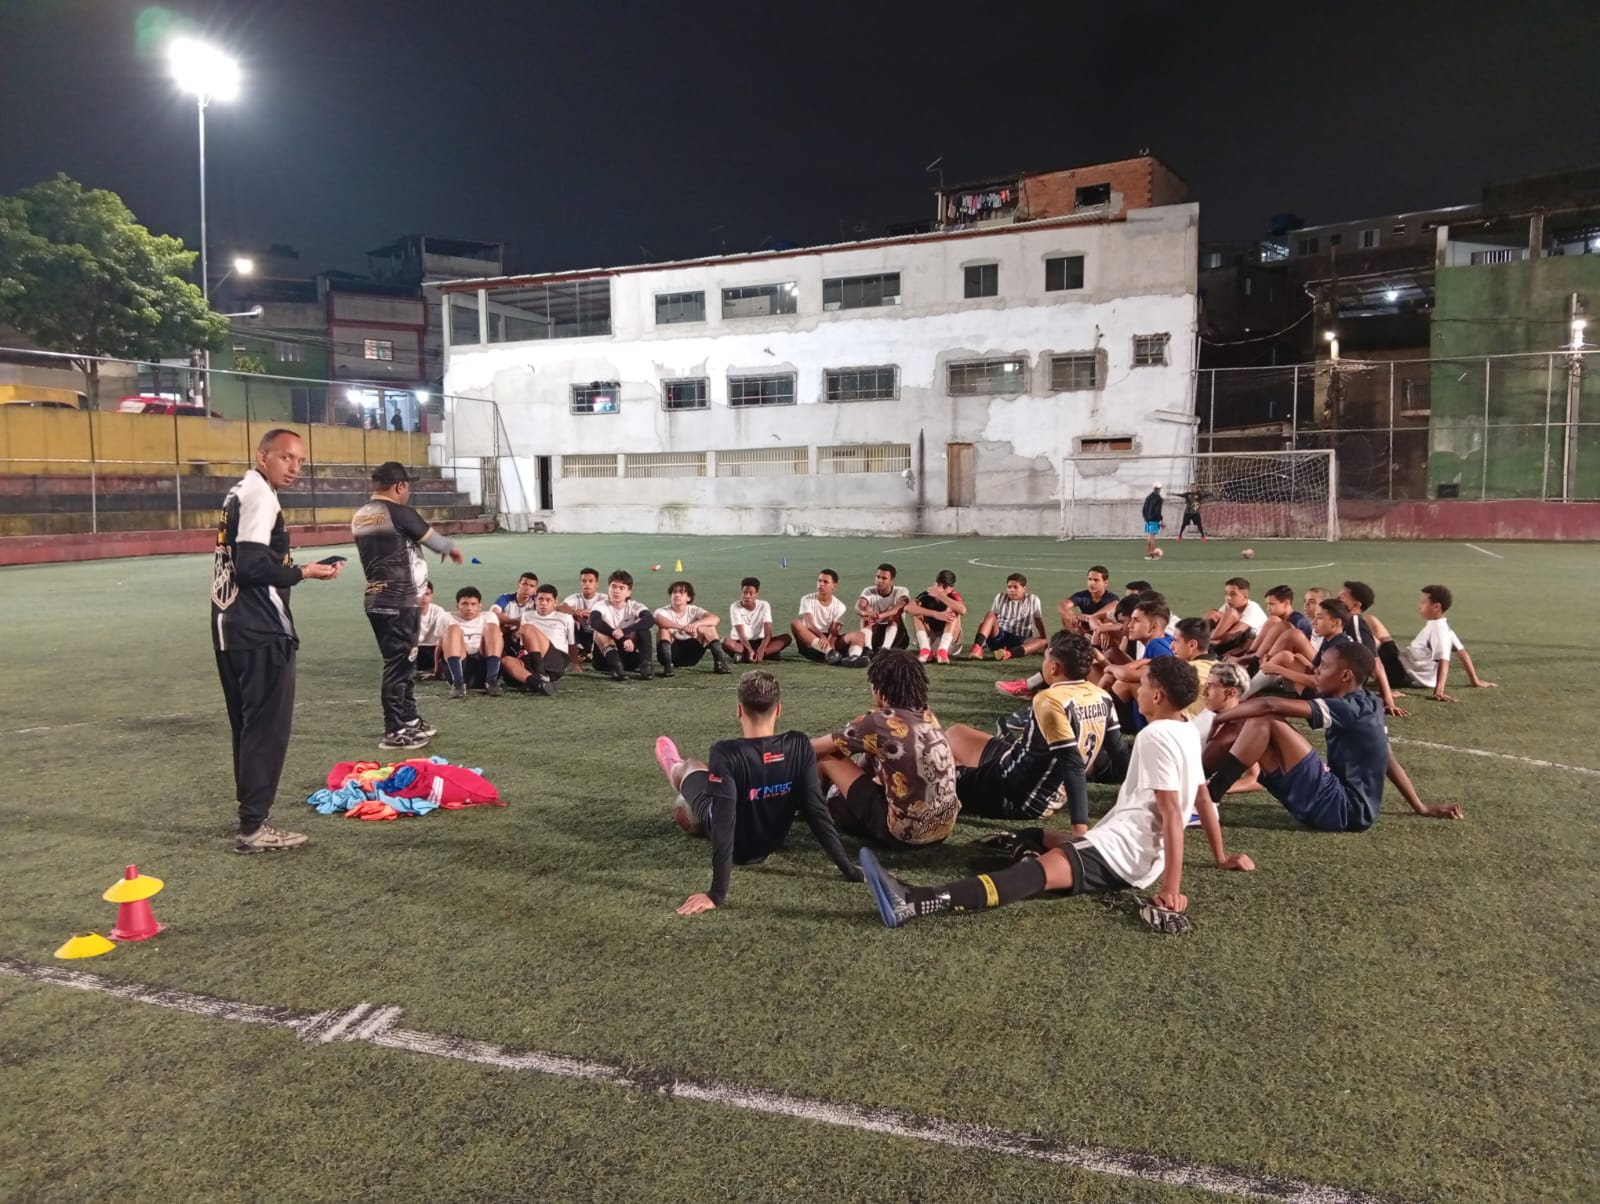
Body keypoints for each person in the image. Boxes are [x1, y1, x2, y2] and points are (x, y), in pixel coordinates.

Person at [858, 657, 1256, 929]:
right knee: (1030, 840)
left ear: (1158, 696)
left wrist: (1171, 889)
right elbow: (1202, 797)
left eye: (1143, 684)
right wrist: (1220, 857)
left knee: (1033, 876)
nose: (1135, 689)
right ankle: (1021, 849)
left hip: (1122, 853)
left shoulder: (1155, 736)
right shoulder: (1186, 727)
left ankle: (915, 900)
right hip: (1124, 845)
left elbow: (1173, 814)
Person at [211, 428, 343, 854]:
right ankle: (253, 828)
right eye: (286, 458)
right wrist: (302, 572)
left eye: (300, 461)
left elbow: (250, 562)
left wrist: (299, 568)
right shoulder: (261, 496)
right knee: (266, 731)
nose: (294, 467)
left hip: (229, 627)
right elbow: (251, 566)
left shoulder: (240, 491)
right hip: (261, 630)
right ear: (262, 456)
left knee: (248, 730)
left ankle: (251, 818)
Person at [654, 671, 862, 915]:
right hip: (772, 840)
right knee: (717, 781)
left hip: (735, 844)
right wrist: (850, 870)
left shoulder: (725, 752)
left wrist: (716, 894)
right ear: (779, 709)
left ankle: (675, 767)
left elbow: (723, 823)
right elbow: (816, 812)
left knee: (692, 769)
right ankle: (704, 784)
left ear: (739, 710)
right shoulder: (798, 744)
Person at [1204, 642, 1463, 831]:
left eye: (1324, 666)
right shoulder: (1368, 702)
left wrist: (1215, 716)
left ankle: (1206, 798)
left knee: (1264, 722)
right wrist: (1421, 806)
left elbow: (1269, 705)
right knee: (1250, 726)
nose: (1317, 670)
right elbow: (1387, 758)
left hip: (1341, 809)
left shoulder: (1348, 708)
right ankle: (1193, 790)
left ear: (1346, 675)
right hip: (1346, 807)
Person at [944, 631, 1129, 837]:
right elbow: (1120, 753)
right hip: (1024, 772)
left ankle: (959, 775)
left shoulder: (1049, 699)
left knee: (931, 783)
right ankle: (962, 771)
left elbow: (1072, 764)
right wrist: (1130, 799)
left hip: (1015, 793)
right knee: (955, 733)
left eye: (1046, 657)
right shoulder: (1102, 696)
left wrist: (1080, 830)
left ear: (1054, 666)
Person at [351, 461, 465, 750]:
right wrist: (450, 548)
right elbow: (434, 540)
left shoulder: (362, 515)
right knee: (399, 665)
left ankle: (410, 719)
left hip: (376, 597)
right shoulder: (399, 512)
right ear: (399, 486)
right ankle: (394, 729)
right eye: (407, 486)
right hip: (400, 600)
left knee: (404, 662)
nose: (409, 491)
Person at [813, 649, 960, 848]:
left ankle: (812, 807)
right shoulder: (927, 715)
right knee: (872, 748)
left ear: (879, 687)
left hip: (902, 834)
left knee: (827, 757)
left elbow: (815, 747)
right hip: (942, 829)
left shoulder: (880, 722)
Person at [1377, 584, 1496, 702]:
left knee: (1372, 628)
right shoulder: (1442, 625)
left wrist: (1439, 691)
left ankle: (1363, 682)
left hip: (1401, 674)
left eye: (1423, 602)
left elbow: (1443, 660)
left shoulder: (1438, 630)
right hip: (1403, 667)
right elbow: (1461, 652)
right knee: (1374, 631)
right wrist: (1475, 680)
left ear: (1436, 607)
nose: (1419, 606)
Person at [504, 583, 571, 696]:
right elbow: (523, 643)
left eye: (548, 600)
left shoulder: (565, 618)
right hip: (531, 656)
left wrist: (576, 664)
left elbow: (572, 643)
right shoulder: (527, 615)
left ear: (555, 602)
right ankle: (538, 684)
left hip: (555, 659)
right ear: (535, 601)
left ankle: (540, 674)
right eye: (540, 599)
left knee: (527, 628)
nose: (543, 603)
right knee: (506, 660)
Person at [653, 580, 731, 676]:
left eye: (681, 592)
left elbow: (715, 618)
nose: (677, 595)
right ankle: (668, 666)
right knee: (663, 629)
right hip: (672, 653)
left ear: (689, 598)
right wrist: (683, 628)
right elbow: (658, 620)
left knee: (708, 628)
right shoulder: (663, 611)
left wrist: (696, 625)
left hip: (691, 655)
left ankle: (720, 663)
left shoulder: (694, 610)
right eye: (674, 592)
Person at [591, 569, 657, 681]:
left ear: (628, 592)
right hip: (604, 660)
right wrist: (619, 636)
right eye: (613, 587)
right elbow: (594, 621)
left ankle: (646, 666)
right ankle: (616, 667)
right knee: (599, 632)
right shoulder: (601, 606)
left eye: (621, 588)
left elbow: (649, 619)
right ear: (608, 588)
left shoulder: (634, 606)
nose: (616, 591)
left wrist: (625, 631)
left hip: (629, 656)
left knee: (643, 629)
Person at [440, 586, 506, 697]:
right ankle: (458, 684)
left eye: (473, 604)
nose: (469, 608)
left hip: (483, 666)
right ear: (457, 606)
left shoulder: (489, 617)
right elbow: (441, 645)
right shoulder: (447, 617)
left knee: (492, 627)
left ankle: (492, 681)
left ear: (480, 606)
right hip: (461, 665)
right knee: (453, 629)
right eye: (464, 604)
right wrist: (436, 671)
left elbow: (498, 643)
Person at [841, 563, 910, 663]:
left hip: (897, 636)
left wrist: (880, 616)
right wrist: (866, 613)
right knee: (866, 612)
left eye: (884, 578)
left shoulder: (901, 591)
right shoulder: (869, 591)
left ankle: (885, 650)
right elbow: (859, 605)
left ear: (891, 581)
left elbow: (898, 607)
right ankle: (868, 649)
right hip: (876, 634)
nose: (880, 581)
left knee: (893, 613)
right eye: (878, 577)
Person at [969, 573, 1047, 660]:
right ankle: (977, 648)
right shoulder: (1000, 597)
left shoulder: (1033, 600)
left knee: (1043, 641)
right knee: (990, 614)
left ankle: (1006, 654)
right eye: (1009, 587)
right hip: (999, 637)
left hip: (1020, 640)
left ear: (1024, 589)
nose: (1011, 590)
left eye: (1015, 587)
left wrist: (1044, 638)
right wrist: (980, 641)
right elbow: (988, 621)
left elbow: (1038, 620)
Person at [724, 576, 791, 663]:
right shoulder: (735, 606)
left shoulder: (764, 605)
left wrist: (762, 648)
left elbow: (768, 634)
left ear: (757, 595)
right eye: (745, 593)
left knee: (786, 638)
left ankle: (746, 656)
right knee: (725, 642)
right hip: (741, 642)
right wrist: (749, 650)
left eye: (751, 593)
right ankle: (764, 654)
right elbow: (741, 635)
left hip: (759, 641)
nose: (747, 596)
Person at [905, 569, 966, 663]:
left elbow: (962, 610)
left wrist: (939, 595)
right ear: (935, 583)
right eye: (938, 585)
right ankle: (925, 650)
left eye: (944, 587)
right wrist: (936, 614)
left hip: (950, 644)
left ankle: (942, 651)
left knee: (954, 611)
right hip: (930, 640)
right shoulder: (926, 595)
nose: (940, 589)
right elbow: (908, 608)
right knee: (917, 611)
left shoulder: (954, 596)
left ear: (951, 588)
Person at [791, 569, 848, 663]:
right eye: (819, 580)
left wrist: (829, 642)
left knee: (858, 636)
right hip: (809, 642)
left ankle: (855, 656)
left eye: (825, 582)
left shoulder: (840, 606)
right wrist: (822, 637)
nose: (821, 584)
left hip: (827, 640)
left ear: (834, 586)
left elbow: (834, 633)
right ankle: (830, 653)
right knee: (796, 623)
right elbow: (809, 625)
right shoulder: (807, 599)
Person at [1206, 577, 1268, 656]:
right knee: (1212, 614)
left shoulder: (1253, 608)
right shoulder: (1228, 605)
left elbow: (1232, 634)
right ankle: (1200, 640)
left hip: (1249, 646)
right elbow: (1218, 623)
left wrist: (1213, 641)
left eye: (1233, 594)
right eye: (1226, 594)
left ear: (1245, 596)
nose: (1228, 598)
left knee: (1231, 614)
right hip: (1232, 642)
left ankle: (1207, 646)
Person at [559, 567, 603, 672]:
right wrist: (576, 612)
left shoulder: (603, 599)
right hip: (581, 634)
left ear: (597, 584)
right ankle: (580, 651)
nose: (586, 584)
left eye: (590, 581)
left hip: (598, 635)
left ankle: (589, 652)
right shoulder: (575, 598)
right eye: (584, 581)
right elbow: (560, 607)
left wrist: (593, 615)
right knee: (567, 618)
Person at [1056, 564, 1119, 632]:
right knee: (1065, 617)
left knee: (1107, 620)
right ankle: (1073, 639)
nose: (1091, 583)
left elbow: (1114, 606)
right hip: (1085, 626)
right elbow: (1062, 605)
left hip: (1101, 627)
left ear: (1105, 583)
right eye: (1089, 579)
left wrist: (1090, 617)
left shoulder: (1112, 598)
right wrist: (1070, 615)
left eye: (1096, 580)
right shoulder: (1082, 595)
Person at [491, 572, 540, 649]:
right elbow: (493, 614)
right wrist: (516, 622)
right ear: (518, 584)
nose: (527, 588)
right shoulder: (506, 598)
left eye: (532, 586)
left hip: (526, 636)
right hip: (506, 635)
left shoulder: (537, 601)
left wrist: (520, 627)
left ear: (535, 589)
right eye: (524, 584)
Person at [413, 580, 451, 680]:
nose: (423, 598)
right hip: (414, 651)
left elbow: (445, 636)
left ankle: (438, 670)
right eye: (420, 594)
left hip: (434, 651)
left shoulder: (438, 611)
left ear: (431, 596)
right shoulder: (407, 612)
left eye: (427, 594)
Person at [1142, 482, 1164, 559]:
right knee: (1152, 538)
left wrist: (1145, 517)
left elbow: (1144, 509)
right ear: (1160, 489)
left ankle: (1148, 553)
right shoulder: (1159, 499)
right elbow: (1158, 511)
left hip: (1148, 520)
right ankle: (1152, 555)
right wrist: (1161, 520)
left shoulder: (1148, 497)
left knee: (1150, 537)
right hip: (1154, 520)